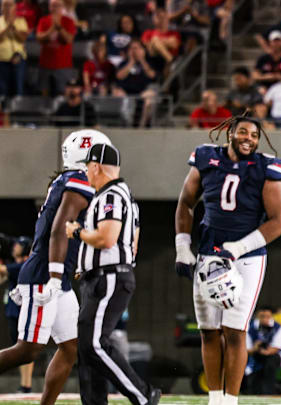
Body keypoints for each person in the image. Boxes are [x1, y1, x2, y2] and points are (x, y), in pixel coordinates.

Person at [174, 113, 281, 405]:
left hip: (247, 257)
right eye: (243, 132)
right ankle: (215, 398)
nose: (248, 139)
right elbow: (186, 203)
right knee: (208, 331)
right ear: (230, 133)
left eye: (254, 135)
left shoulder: (265, 167)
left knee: (235, 331)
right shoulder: (206, 158)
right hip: (209, 252)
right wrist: (182, 246)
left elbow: (280, 222)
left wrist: (237, 248)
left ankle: (231, 400)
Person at [0, 130, 111, 405]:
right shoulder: (79, 180)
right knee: (27, 350)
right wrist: (53, 276)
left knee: (71, 347)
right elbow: (60, 231)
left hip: (54, 273)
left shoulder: (68, 179)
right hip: (46, 274)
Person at [64, 142, 161, 405]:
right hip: (106, 276)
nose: (86, 172)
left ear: (95, 166)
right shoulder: (123, 196)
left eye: (87, 167)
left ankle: (143, 394)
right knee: (87, 348)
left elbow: (107, 239)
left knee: (93, 344)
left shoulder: (111, 196)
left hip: (108, 278)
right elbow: (133, 244)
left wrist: (76, 232)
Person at [0, 237, 32, 393]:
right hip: (13, 310)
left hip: (22, 310)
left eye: (19, 245)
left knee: (25, 348)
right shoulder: (15, 265)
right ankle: (24, 385)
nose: (15, 247)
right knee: (19, 348)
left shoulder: (24, 264)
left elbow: (4, 271)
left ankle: (26, 385)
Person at [36, 0, 76, 97]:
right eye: (53, 6)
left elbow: (69, 39)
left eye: (58, 6)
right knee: (44, 94)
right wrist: (52, 29)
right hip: (45, 65)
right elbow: (39, 38)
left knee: (63, 94)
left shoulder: (69, 21)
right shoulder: (43, 20)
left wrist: (59, 28)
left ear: (62, 8)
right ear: (49, 7)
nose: (56, 8)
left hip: (63, 65)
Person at [114, 40, 158, 128]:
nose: (134, 51)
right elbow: (119, 76)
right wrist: (131, 62)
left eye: (137, 48)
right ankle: (125, 126)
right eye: (132, 48)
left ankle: (141, 127)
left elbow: (152, 75)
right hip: (126, 92)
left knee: (149, 97)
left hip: (142, 92)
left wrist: (141, 60)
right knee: (119, 94)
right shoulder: (124, 63)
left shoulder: (148, 63)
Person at [246, 306, 281, 395]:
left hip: (274, 355)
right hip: (256, 354)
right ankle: (251, 389)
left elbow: (276, 347)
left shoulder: (278, 328)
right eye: (262, 316)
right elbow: (248, 349)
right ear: (257, 316)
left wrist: (266, 351)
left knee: (270, 361)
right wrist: (256, 347)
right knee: (250, 361)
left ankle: (269, 391)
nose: (265, 319)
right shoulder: (250, 328)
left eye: (267, 316)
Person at [0, 0, 29, 97]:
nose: (8, 8)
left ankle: (17, 110)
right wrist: (8, 27)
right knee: (2, 90)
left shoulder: (21, 21)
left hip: (18, 59)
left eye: (10, 5)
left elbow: (23, 38)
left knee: (18, 90)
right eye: (5, 5)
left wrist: (14, 28)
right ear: (1, 7)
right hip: (2, 60)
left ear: (15, 7)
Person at [141, 8, 181, 73]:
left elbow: (175, 45)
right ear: (154, 19)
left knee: (155, 40)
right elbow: (148, 46)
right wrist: (166, 41)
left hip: (169, 57)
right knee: (155, 40)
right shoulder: (148, 32)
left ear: (168, 18)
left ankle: (170, 61)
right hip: (154, 59)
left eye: (163, 17)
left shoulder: (174, 33)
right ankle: (171, 61)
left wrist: (158, 42)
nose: (161, 20)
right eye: (158, 17)